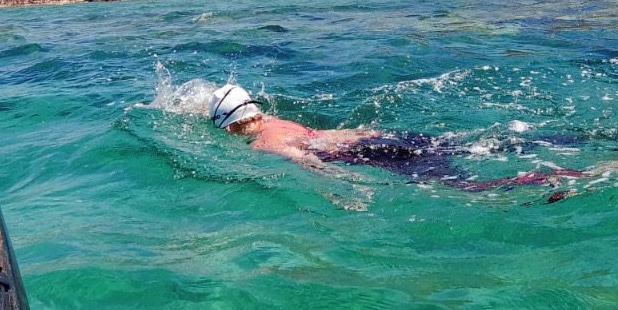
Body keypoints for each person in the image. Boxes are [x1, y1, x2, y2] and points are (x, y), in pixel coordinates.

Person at [208, 83, 586, 194]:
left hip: (375, 153)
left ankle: (549, 179)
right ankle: (583, 140)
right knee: (485, 145)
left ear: (229, 126)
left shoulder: (263, 143)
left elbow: (308, 162)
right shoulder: (276, 120)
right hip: (386, 136)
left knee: (468, 187)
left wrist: (344, 188)